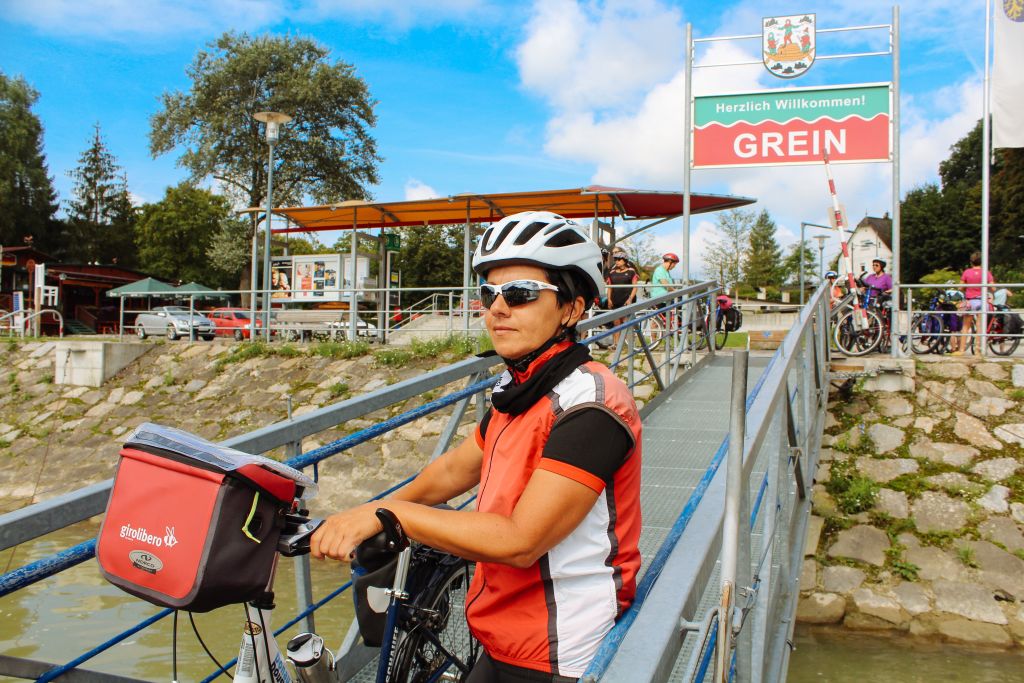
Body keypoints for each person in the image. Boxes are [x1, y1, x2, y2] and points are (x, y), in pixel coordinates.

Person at [311, 210, 642, 682]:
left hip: (561, 649)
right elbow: (452, 472)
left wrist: (390, 515)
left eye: (521, 294)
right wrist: (359, 515)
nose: (497, 308)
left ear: (572, 308)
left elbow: (520, 540)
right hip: (502, 629)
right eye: (489, 294)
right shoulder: (520, 393)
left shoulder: (591, 407)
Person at [954, 251, 996, 355]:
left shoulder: (967, 272)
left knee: (965, 327)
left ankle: (961, 350)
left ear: (971, 262)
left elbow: (960, 287)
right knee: (980, 327)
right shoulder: (986, 273)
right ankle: (978, 350)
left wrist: (967, 287)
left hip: (970, 302)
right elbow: (993, 288)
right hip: (982, 301)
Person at [605, 249, 639, 346]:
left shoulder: (631, 272)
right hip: (615, 300)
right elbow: (610, 287)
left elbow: (635, 287)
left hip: (626, 301)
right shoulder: (612, 273)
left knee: (625, 322)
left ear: (625, 261)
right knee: (616, 323)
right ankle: (616, 344)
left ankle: (625, 344)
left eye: (619, 259)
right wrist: (609, 299)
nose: (617, 261)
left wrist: (630, 299)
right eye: (616, 259)